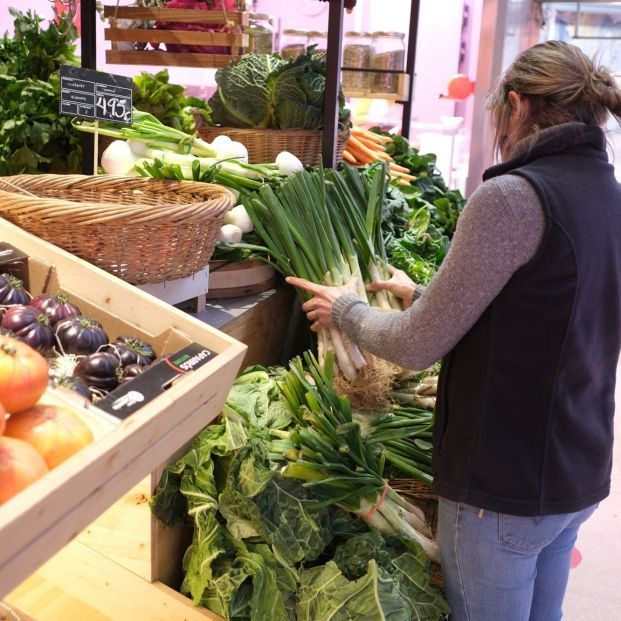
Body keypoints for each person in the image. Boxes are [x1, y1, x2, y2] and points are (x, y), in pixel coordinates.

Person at [286, 40, 621, 621]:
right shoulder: (608, 196)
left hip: (505, 485)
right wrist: (423, 295)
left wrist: (346, 310)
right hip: (576, 472)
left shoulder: (512, 198)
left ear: (516, 105)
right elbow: (554, 308)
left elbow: (416, 346)